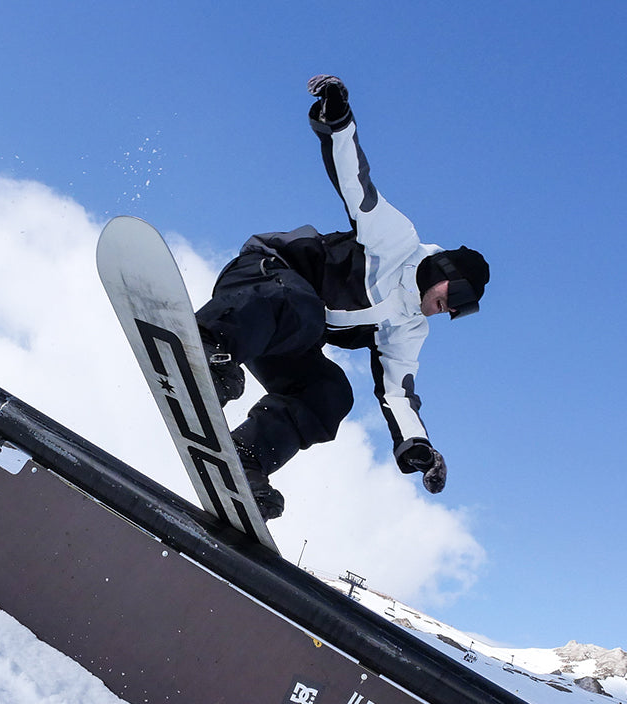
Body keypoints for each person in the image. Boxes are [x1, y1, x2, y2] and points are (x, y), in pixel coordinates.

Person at [195, 75, 489, 521]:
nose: (451, 309)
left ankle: (246, 457)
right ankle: (207, 344)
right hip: (260, 282)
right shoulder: (397, 241)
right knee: (304, 310)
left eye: (462, 311)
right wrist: (339, 122)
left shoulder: (408, 329)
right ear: (446, 270)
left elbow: (398, 394)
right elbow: (356, 183)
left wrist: (419, 446)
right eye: (458, 295)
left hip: (277, 338)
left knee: (331, 391)